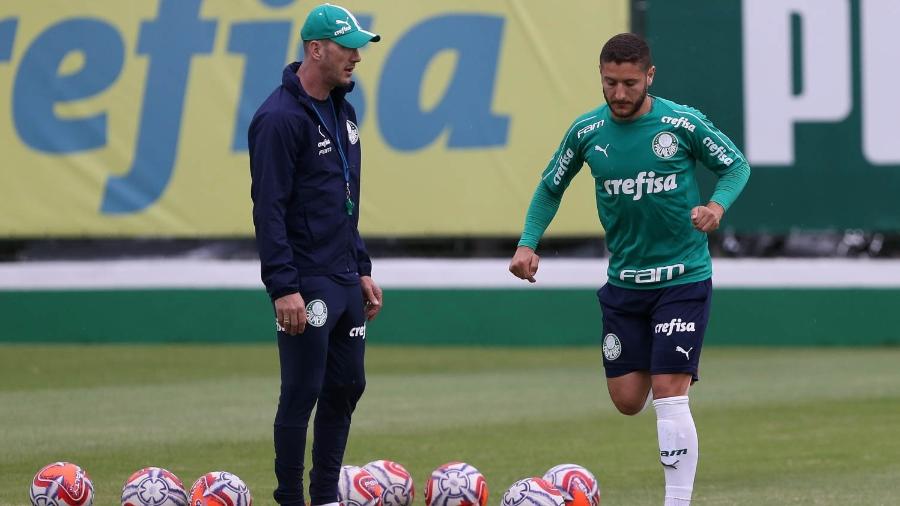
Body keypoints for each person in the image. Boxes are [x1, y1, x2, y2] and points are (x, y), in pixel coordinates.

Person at [508, 33, 750, 506]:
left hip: (683, 277)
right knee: (627, 399)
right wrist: (527, 243)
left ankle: (676, 501)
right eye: (610, 83)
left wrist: (716, 208)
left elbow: (735, 166)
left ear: (650, 77)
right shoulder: (586, 132)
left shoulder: (681, 123)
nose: (619, 94)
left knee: (668, 392)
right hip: (625, 284)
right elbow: (550, 186)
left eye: (630, 83)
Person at [247, 4, 383, 505]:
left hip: (344, 276)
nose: (356, 58)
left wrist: (362, 268)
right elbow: (270, 210)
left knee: (348, 385)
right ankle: (289, 499)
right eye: (348, 48)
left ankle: (325, 494)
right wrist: (283, 286)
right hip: (305, 281)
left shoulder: (342, 110)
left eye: (358, 48)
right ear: (315, 49)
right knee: (301, 391)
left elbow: (342, 201)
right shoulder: (278, 119)